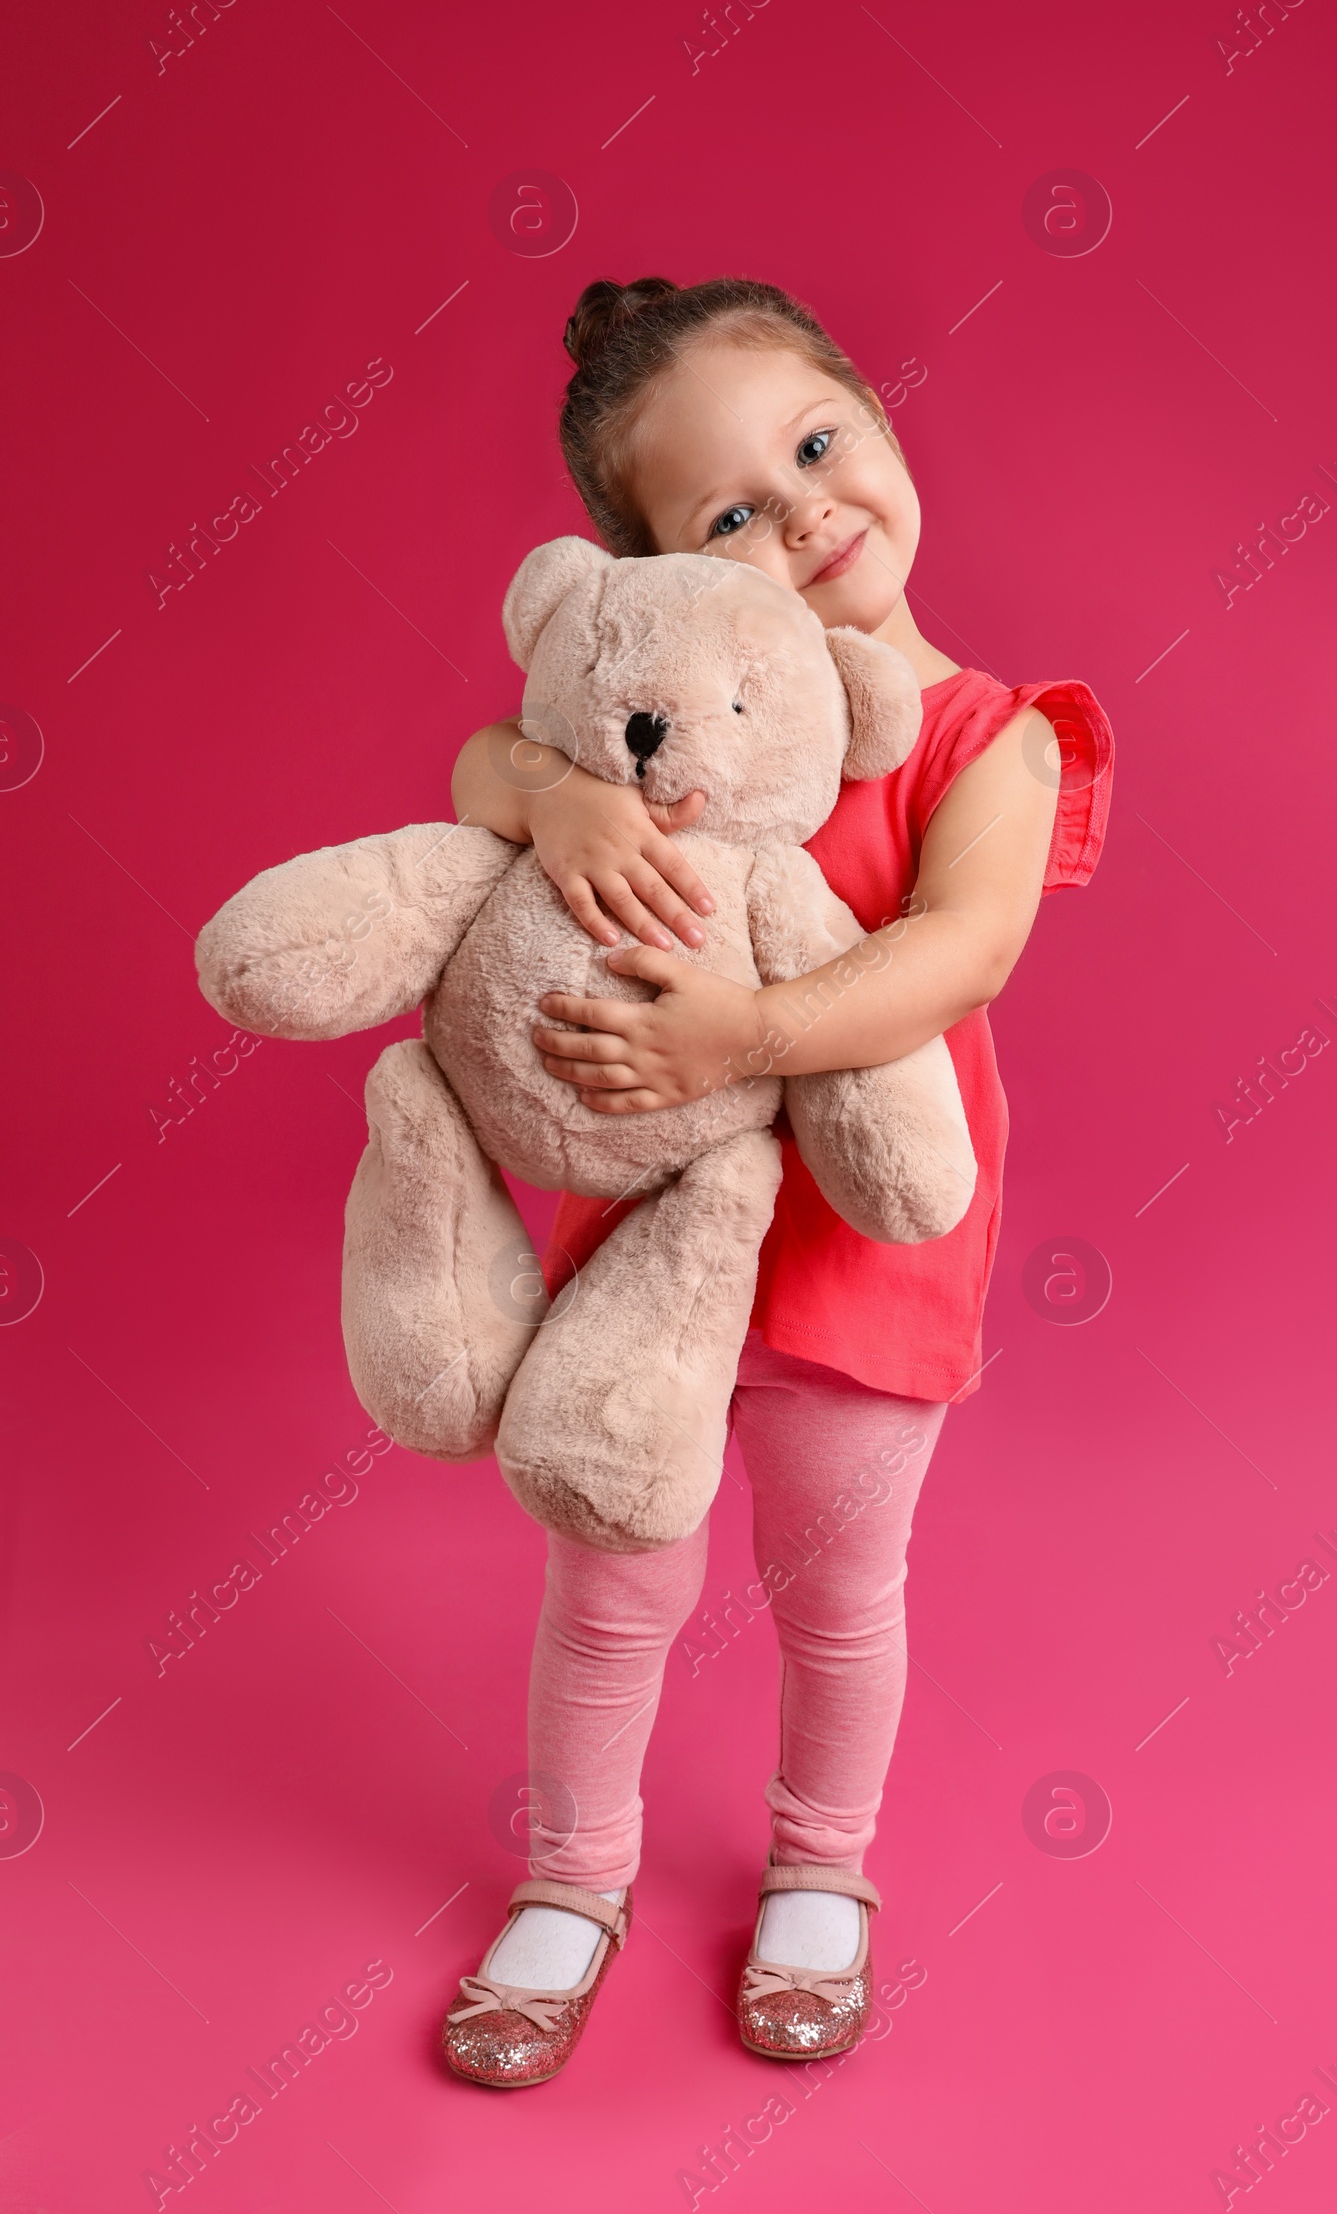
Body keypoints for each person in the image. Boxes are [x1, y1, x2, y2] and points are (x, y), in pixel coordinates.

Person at [437, 275, 1113, 2087]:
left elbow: (959, 950)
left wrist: (739, 1034)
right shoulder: (647, 724)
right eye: (731, 511)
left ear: (881, 423)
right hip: (647, 1246)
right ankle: (573, 1880)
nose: (806, 513)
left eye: (820, 446)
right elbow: (478, 764)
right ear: (661, 573)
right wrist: (550, 795)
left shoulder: (991, 733)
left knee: (839, 1590)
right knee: (611, 1589)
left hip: (861, 1260)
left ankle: (822, 1865)